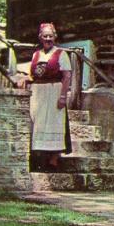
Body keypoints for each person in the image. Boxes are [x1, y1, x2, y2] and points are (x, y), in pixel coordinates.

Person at [24, 22, 72, 169]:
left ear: (55, 37)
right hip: (38, 93)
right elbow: (33, 75)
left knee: (54, 123)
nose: (48, 39)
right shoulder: (36, 54)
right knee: (38, 123)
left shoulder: (61, 54)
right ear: (40, 37)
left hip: (54, 91)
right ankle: (40, 158)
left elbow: (67, 76)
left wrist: (63, 96)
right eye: (45, 36)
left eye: (50, 36)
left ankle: (54, 159)